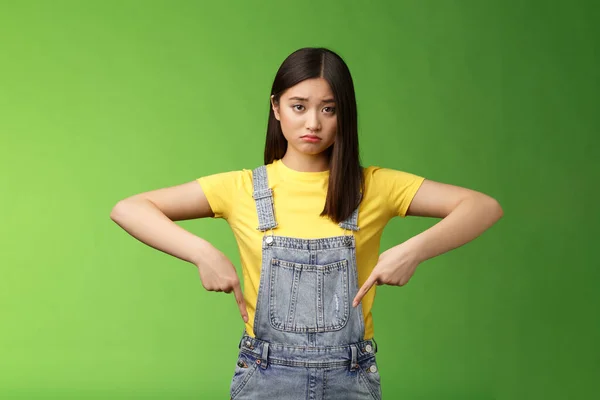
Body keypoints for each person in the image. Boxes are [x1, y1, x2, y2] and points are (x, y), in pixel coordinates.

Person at [110, 47, 503, 399]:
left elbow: (482, 207)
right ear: (276, 107)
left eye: (328, 109)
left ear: (343, 113)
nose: (313, 122)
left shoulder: (376, 186)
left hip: (351, 378)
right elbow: (129, 208)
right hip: (265, 378)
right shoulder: (241, 188)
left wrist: (413, 250)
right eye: (299, 106)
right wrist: (200, 252)